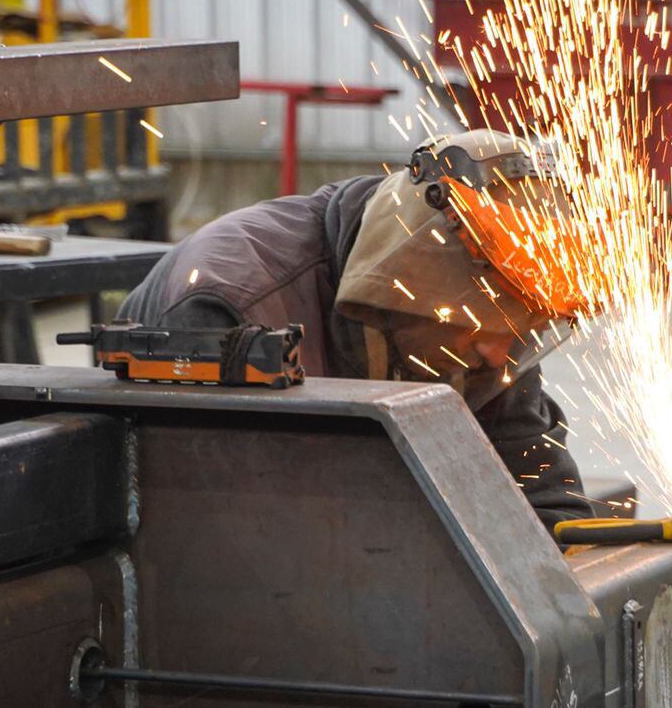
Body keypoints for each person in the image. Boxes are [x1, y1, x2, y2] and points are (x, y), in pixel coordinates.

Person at [118, 129, 595, 529]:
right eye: (487, 329)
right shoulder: (230, 311)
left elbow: (546, 509)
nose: (499, 355)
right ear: (413, 283)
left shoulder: (486, 333)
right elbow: (224, 549)